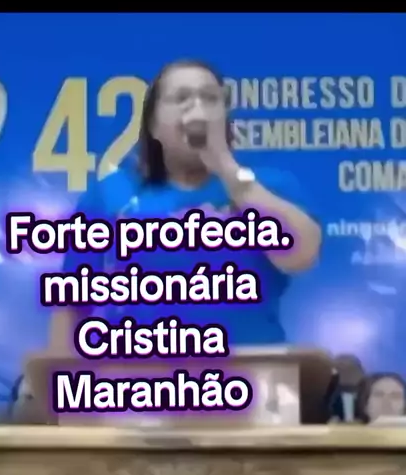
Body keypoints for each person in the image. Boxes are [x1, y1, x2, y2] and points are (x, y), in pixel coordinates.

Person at [50, 59, 322, 352]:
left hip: (252, 370)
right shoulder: (112, 193)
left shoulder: (268, 185)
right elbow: (72, 305)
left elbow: (301, 256)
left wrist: (230, 172)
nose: (197, 107)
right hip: (142, 370)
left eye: (210, 98)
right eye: (181, 98)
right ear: (153, 124)